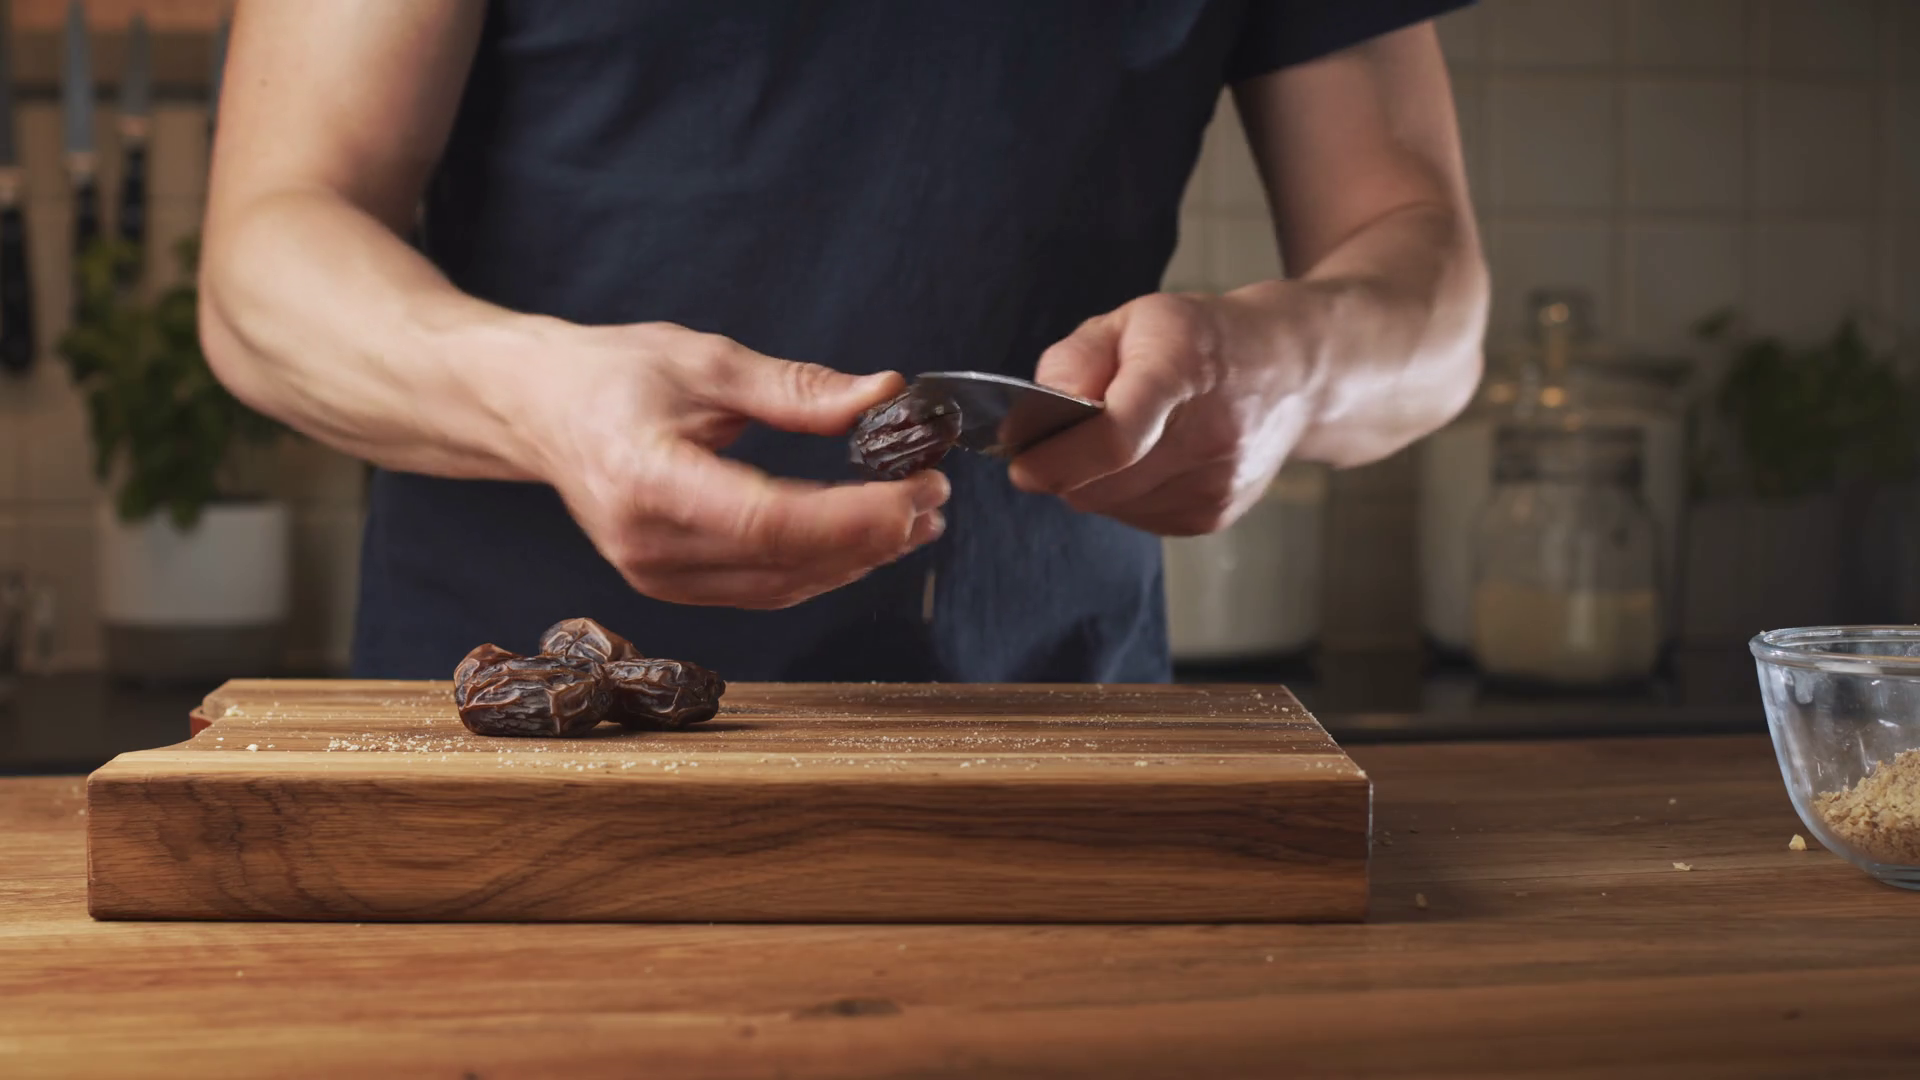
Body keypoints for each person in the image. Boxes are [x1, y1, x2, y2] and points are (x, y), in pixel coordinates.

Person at [200, 1, 1489, 683]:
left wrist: (1281, 366)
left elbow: (1424, 276)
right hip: (526, 758)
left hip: (1053, 755)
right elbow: (270, 252)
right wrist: (537, 398)